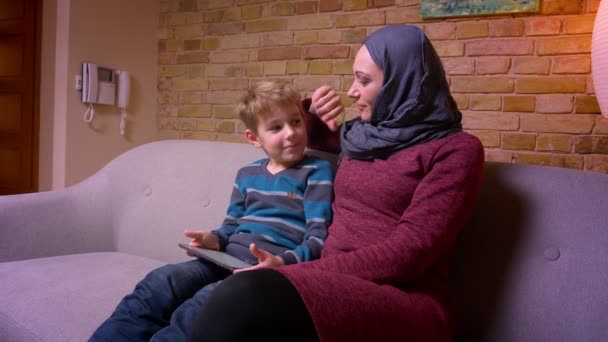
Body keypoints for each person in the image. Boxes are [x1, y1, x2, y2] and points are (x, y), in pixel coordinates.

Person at [188, 24, 485, 341]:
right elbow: (309, 136)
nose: (352, 91)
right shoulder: (363, 136)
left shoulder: (456, 151)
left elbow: (408, 255)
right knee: (186, 288)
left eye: (364, 80)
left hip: (400, 298)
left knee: (246, 293)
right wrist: (311, 110)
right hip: (324, 280)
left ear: (403, 82)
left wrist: (290, 272)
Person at [89, 80, 335, 341]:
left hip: (264, 272)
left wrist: (282, 262)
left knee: (202, 305)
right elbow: (231, 226)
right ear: (254, 138)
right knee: (160, 281)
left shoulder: (316, 172)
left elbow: (317, 239)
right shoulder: (247, 173)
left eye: (296, 122)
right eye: (276, 127)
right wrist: (213, 240)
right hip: (224, 260)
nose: (291, 133)